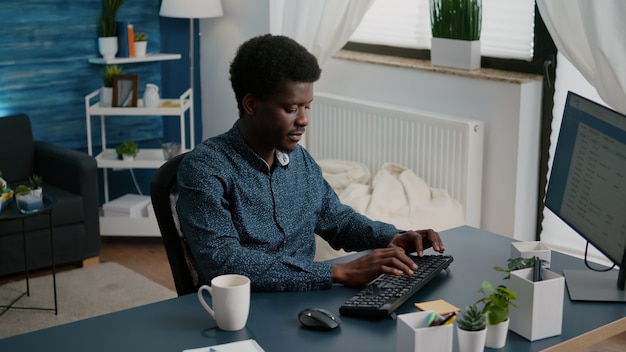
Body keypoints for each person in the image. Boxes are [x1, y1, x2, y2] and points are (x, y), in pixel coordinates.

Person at [176, 34, 445, 292]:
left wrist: (391, 238)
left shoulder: (299, 160)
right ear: (251, 105)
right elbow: (223, 262)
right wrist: (338, 272)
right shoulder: (205, 168)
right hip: (246, 310)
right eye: (292, 109)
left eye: (308, 107)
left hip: (308, 300)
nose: (304, 120)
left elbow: (338, 221)